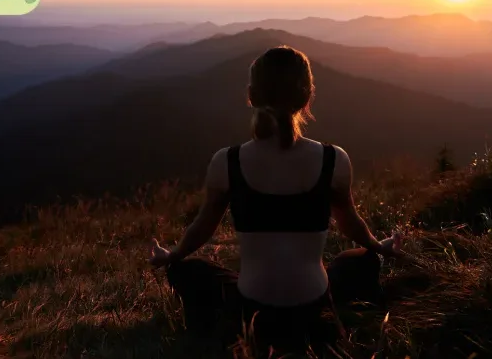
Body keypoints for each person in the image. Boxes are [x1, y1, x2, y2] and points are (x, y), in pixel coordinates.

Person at [148, 45, 404, 354]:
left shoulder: (227, 162)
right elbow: (349, 222)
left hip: (252, 307)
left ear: (251, 96)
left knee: (186, 269)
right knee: (361, 259)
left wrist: (172, 255)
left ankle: (214, 330)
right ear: (307, 96)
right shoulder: (333, 159)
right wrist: (378, 247)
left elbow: (203, 228)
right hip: (313, 302)